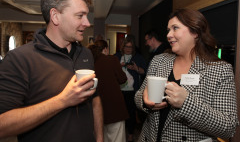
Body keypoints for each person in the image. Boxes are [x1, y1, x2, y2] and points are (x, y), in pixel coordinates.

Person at [0, 0, 103, 142]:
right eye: (80, 16)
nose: (87, 23)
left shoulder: (86, 54)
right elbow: (3, 125)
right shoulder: (19, 59)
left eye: (86, 16)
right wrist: (63, 100)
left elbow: (95, 101)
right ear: (55, 16)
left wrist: (100, 138)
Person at [135, 9, 238, 142]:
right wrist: (144, 101)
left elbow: (228, 127)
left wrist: (186, 103)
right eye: (168, 30)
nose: (169, 35)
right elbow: (139, 95)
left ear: (195, 32)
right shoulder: (159, 60)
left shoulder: (220, 70)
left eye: (175, 28)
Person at [88, 40, 129, 142]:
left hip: (95, 109)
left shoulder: (89, 62)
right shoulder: (112, 60)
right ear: (105, 49)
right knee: (117, 138)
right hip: (114, 108)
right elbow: (122, 79)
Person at [115, 36, 147, 142]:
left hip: (132, 90)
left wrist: (136, 68)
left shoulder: (138, 57)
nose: (128, 49)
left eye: (131, 47)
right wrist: (119, 66)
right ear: (122, 47)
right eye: (126, 47)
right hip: (118, 90)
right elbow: (111, 71)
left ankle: (130, 134)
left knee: (131, 114)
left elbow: (145, 72)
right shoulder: (117, 56)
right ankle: (119, 135)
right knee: (119, 113)